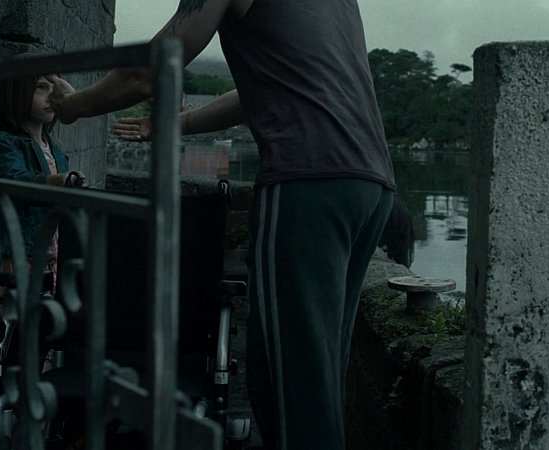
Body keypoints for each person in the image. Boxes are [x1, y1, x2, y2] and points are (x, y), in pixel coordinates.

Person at [48, 1, 396, 448]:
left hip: (307, 180)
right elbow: (269, 90)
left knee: (287, 381)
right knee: (318, 373)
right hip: (370, 185)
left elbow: (146, 71)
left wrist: (72, 105)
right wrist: (174, 123)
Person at [0, 75, 84, 296]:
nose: (51, 95)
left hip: (49, 252)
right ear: (15, 94)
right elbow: (12, 181)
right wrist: (54, 181)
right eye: (41, 88)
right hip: (16, 252)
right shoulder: (5, 142)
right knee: (10, 311)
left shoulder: (55, 150)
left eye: (54, 88)